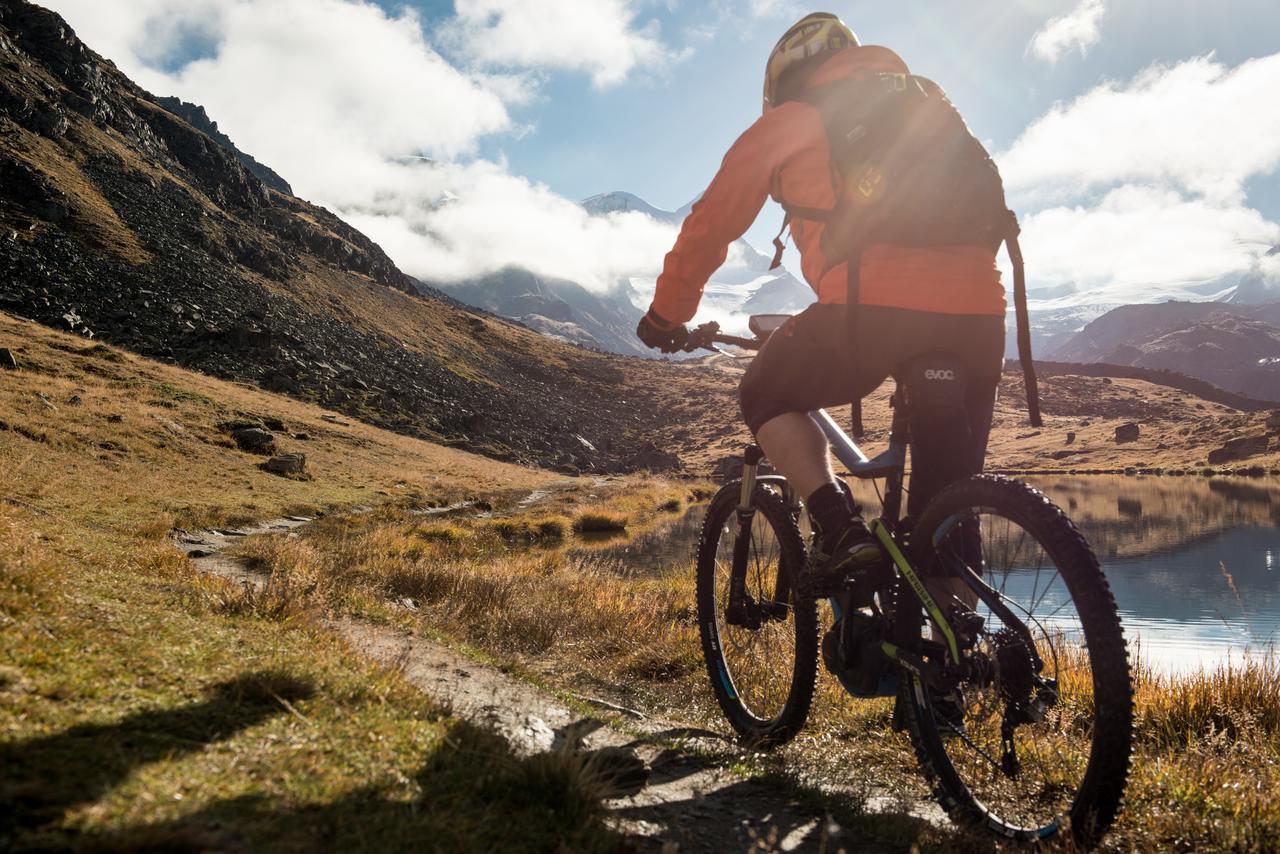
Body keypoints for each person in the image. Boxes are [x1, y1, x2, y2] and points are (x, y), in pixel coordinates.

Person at [637, 13, 1007, 599]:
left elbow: (711, 224)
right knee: (945, 516)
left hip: (873, 311)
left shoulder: (792, 120)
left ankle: (838, 530)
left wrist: (666, 314)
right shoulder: (926, 99)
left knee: (764, 392)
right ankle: (953, 675)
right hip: (981, 317)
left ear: (783, 79)